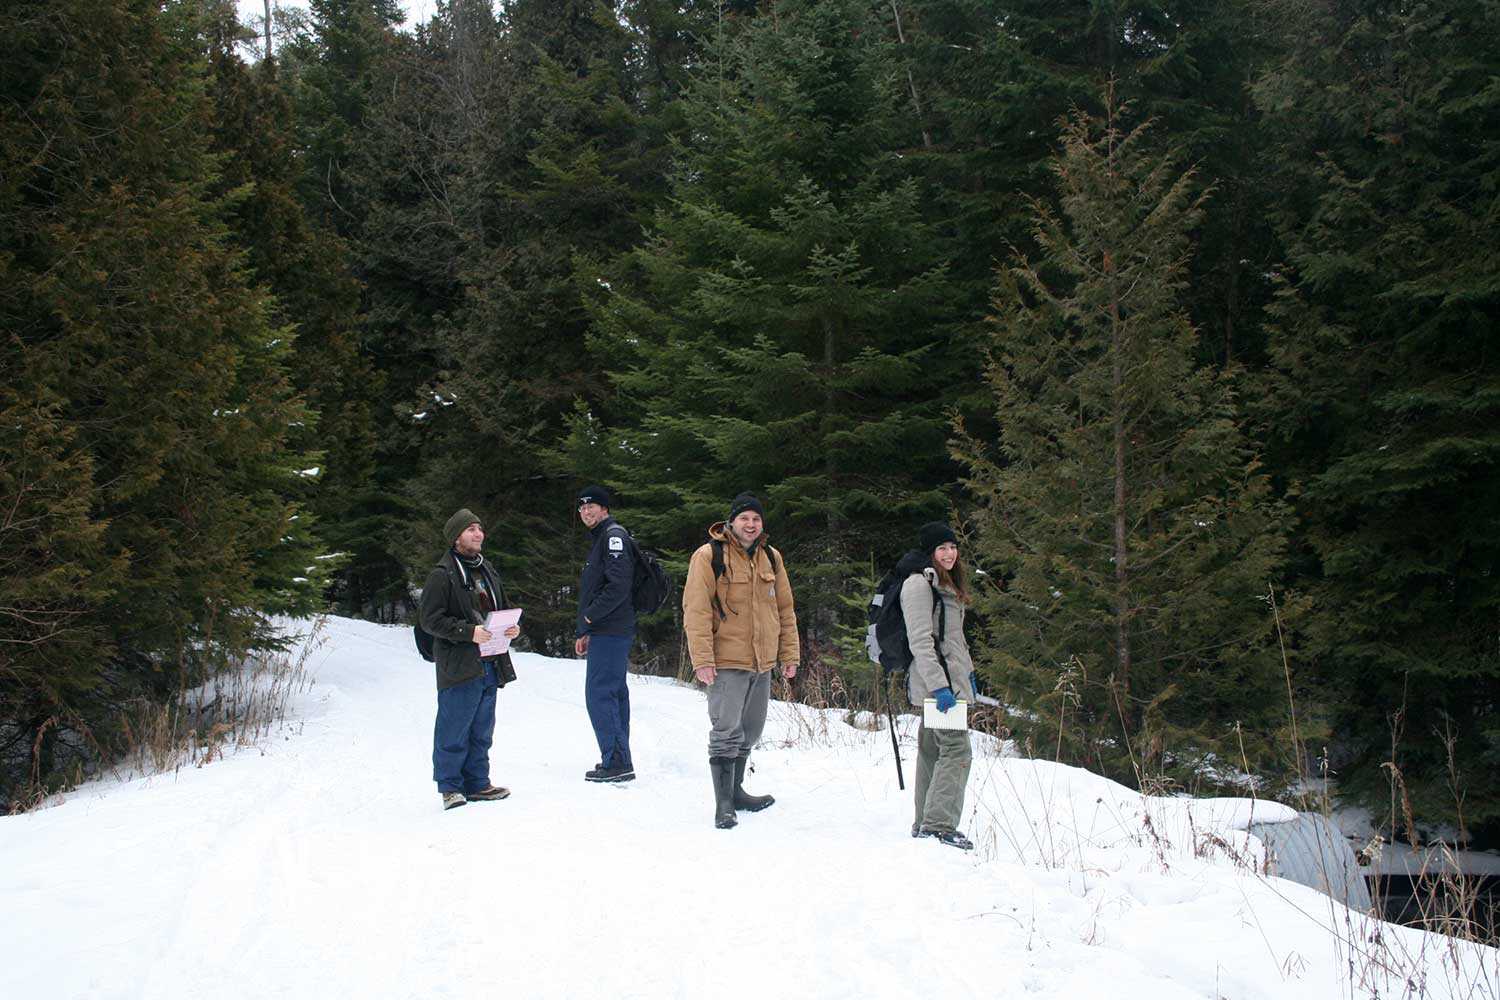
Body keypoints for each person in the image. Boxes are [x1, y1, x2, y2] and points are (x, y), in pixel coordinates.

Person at [682, 492, 799, 829]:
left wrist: (789, 654)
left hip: (762, 662)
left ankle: (736, 792)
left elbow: (785, 609)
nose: (750, 524)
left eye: (756, 519)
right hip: (726, 660)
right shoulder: (708, 556)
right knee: (725, 730)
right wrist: (702, 659)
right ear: (731, 522)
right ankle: (723, 805)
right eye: (744, 518)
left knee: (752, 729)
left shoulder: (771, 558)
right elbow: (696, 610)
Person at [419, 508, 521, 811]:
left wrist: (512, 625)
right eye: (470, 529)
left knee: (481, 728)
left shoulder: (487, 569)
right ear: (455, 537)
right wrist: (468, 632)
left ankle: (478, 782)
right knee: (454, 727)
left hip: (490, 661)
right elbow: (430, 620)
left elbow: (503, 604)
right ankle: (450, 787)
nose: (478, 534)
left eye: (479, 528)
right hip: (459, 664)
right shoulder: (442, 574)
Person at [902, 521, 977, 850]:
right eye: (941, 548)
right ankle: (939, 824)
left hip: (950, 682)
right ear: (930, 552)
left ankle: (925, 823)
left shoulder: (944, 584)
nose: (949, 553)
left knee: (932, 750)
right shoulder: (919, 585)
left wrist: (969, 673)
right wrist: (940, 687)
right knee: (957, 749)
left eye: (952, 547)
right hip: (937, 686)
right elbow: (920, 642)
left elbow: (954, 639)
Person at [573, 485, 638, 783]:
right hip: (606, 629)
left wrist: (589, 616)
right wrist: (587, 629)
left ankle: (616, 761)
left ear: (605, 509)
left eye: (592, 506)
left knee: (600, 694)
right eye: (582, 507)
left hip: (612, 629)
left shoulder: (612, 537)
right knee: (612, 693)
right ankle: (618, 758)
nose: (586, 511)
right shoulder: (602, 538)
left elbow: (617, 587)